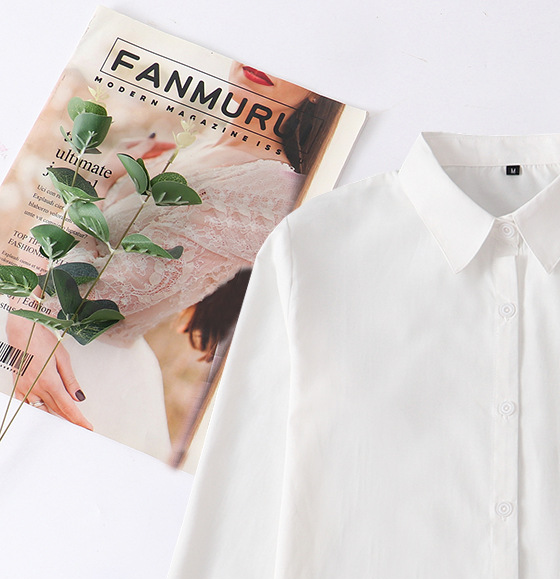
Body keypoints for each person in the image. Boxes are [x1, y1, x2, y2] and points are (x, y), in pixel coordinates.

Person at [1, 62, 339, 462]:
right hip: (32, 332)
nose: (269, 62)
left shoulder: (273, 189)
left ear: (318, 90)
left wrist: (96, 184)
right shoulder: (194, 146)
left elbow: (91, 295)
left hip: (74, 360)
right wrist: (107, 179)